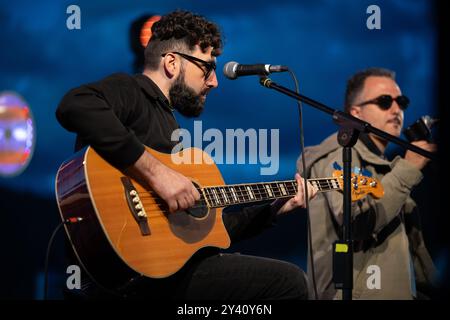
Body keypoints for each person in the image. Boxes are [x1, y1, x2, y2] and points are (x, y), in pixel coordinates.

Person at [56, 10, 317, 300]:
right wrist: (158, 174)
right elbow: (74, 106)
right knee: (290, 283)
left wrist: (275, 207)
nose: (214, 81)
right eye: (207, 68)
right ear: (171, 62)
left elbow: (209, 232)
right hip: (128, 277)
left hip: (162, 273)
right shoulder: (132, 91)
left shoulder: (169, 126)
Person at [298, 67, 438, 299]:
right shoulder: (339, 154)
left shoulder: (384, 164)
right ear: (356, 112)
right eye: (384, 101)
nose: (396, 109)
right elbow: (356, 222)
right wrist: (408, 169)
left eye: (401, 101)